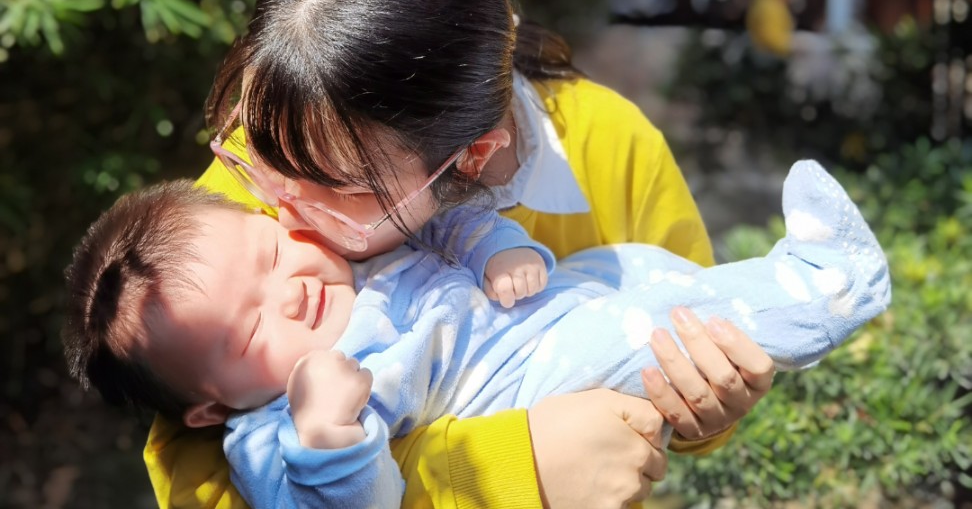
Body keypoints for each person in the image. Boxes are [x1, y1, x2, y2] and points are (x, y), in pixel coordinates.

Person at [146, 0, 778, 509]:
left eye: (341, 187)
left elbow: (691, 321)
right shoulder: (266, 166)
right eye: (254, 148)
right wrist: (506, 468)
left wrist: (702, 408)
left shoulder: (613, 143)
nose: (281, 214)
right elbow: (198, 477)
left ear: (472, 159)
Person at [64, 160, 891, 509]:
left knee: (645, 273)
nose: (294, 290)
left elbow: (452, 227)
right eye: (249, 330)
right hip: (538, 382)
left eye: (275, 251)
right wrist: (325, 436)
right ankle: (830, 287)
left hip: (557, 310)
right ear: (209, 408)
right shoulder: (277, 426)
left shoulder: (357, 254)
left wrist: (501, 248)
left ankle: (786, 279)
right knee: (654, 329)